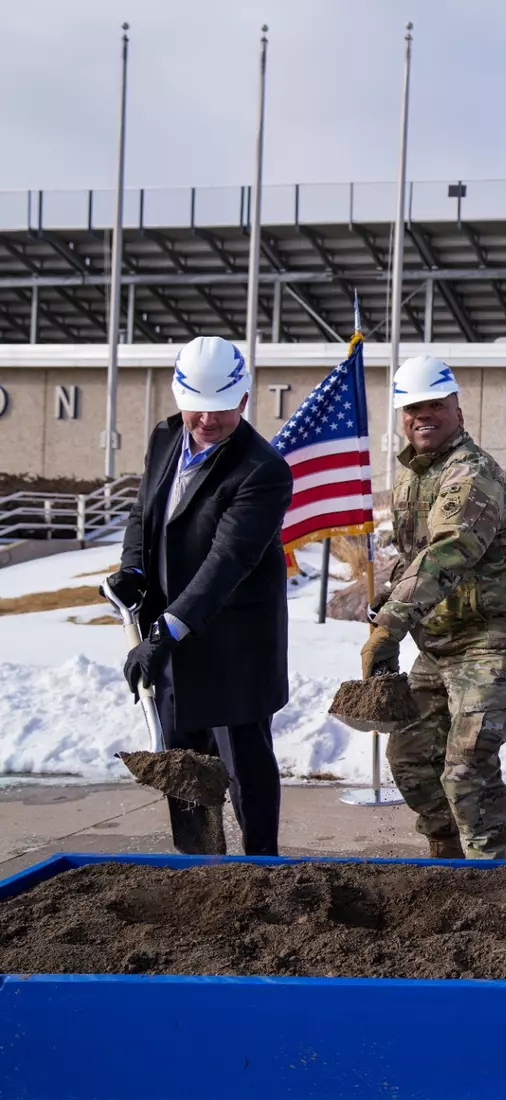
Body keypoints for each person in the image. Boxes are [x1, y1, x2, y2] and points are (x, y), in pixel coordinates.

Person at [110, 335, 292, 856]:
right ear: (179, 398)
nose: (206, 422)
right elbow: (143, 512)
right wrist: (132, 569)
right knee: (185, 764)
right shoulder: (167, 436)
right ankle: (201, 870)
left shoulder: (262, 470)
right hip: (172, 637)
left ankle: (262, 871)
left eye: (220, 410)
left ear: (242, 400)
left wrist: (166, 630)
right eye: (197, 409)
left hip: (235, 641)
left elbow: (227, 561)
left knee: (244, 768)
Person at [360, 355, 506, 860]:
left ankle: (489, 874)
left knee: (467, 764)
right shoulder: (413, 476)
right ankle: (447, 859)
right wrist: (387, 599)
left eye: (434, 405)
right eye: (411, 408)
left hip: (492, 639)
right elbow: (414, 559)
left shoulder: (471, 474)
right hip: (438, 643)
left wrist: (392, 624)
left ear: (457, 408)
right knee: (411, 758)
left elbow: (449, 549)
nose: (423, 416)